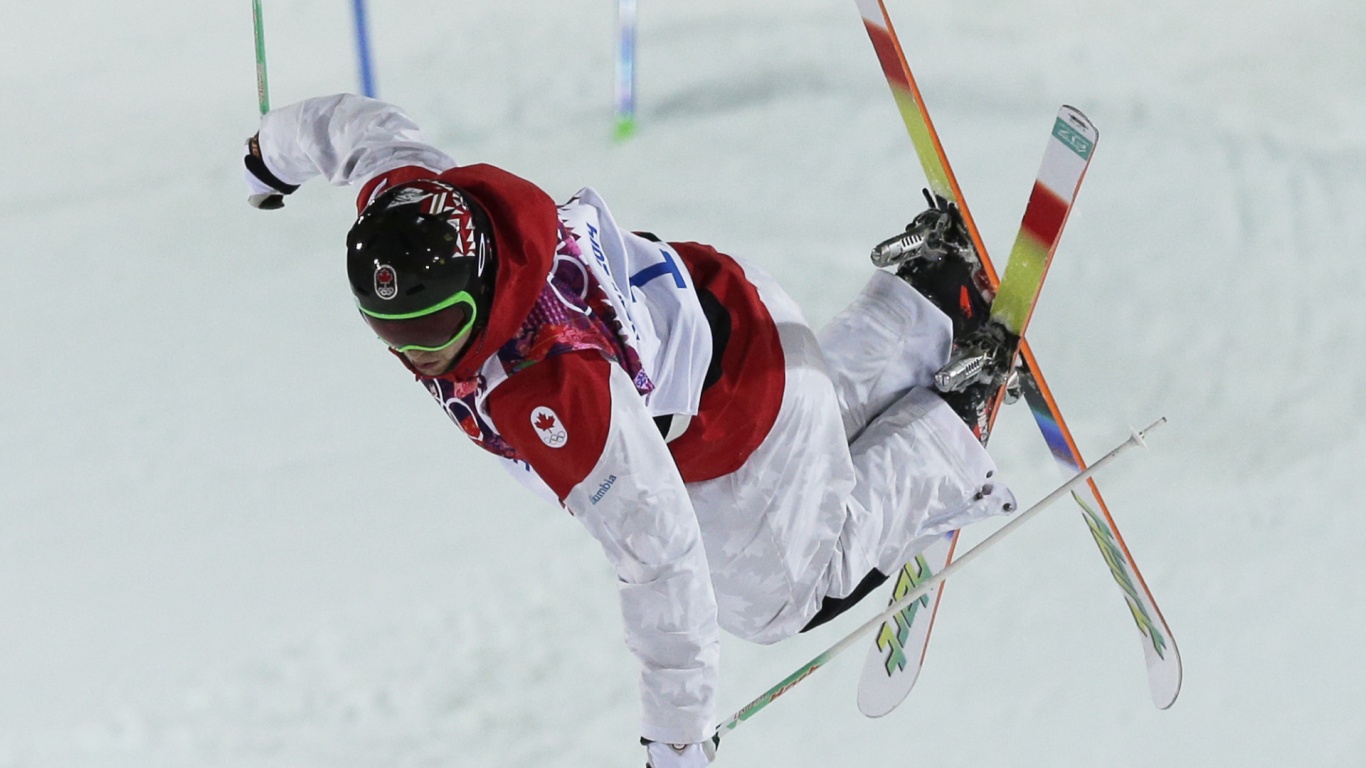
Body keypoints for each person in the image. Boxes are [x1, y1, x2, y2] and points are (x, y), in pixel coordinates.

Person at [242, 94, 1017, 768]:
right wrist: (270, 154)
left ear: (478, 282)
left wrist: (675, 741)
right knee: (802, 457)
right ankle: (927, 301)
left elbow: (661, 555)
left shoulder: (547, 385)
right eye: (392, 330)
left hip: (738, 416)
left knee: (776, 601)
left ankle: (950, 432)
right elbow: (351, 127)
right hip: (737, 311)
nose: (422, 353)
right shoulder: (423, 200)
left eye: (440, 325)